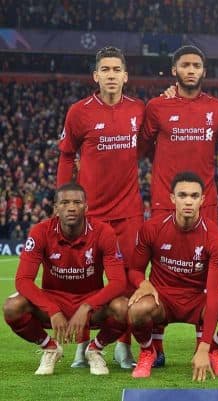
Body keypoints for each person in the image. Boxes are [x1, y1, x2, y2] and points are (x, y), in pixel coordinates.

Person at [140, 45, 218, 367]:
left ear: (204, 71)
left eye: (196, 65)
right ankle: (153, 349)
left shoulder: (217, 108)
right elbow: (141, 148)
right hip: (163, 204)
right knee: (161, 274)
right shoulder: (157, 106)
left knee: (202, 278)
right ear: (174, 70)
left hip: (205, 205)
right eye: (184, 64)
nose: (191, 70)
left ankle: (208, 347)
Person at [56, 46, 144, 369]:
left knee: (130, 280)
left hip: (130, 212)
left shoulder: (139, 110)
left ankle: (123, 346)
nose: (110, 75)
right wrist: (63, 200)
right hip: (91, 214)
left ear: (125, 75)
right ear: (96, 75)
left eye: (116, 69)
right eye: (104, 69)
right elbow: (66, 156)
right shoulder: (79, 112)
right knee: (87, 282)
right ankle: (82, 346)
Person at [127, 172, 218, 380]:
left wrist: (204, 346)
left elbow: (213, 295)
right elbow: (134, 270)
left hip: (198, 300)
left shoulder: (215, 238)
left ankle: (215, 350)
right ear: (172, 198)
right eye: (183, 195)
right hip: (163, 300)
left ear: (202, 200)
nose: (188, 201)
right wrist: (143, 283)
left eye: (194, 196)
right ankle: (148, 351)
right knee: (136, 309)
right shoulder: (152, 229)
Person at [3, 182, 128, 376]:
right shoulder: (40, 231)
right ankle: (50, 347)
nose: (71, 207)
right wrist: (51, 309)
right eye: (65, 202)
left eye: (77, 202)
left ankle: (95, 349)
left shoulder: (104, 232)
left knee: (124, 308)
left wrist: (87, 306)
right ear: (56, 208)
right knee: (12, 307)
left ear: (86, 207)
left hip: (90, 302)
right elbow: (23, 280)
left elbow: (119, 282)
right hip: (54, 301)